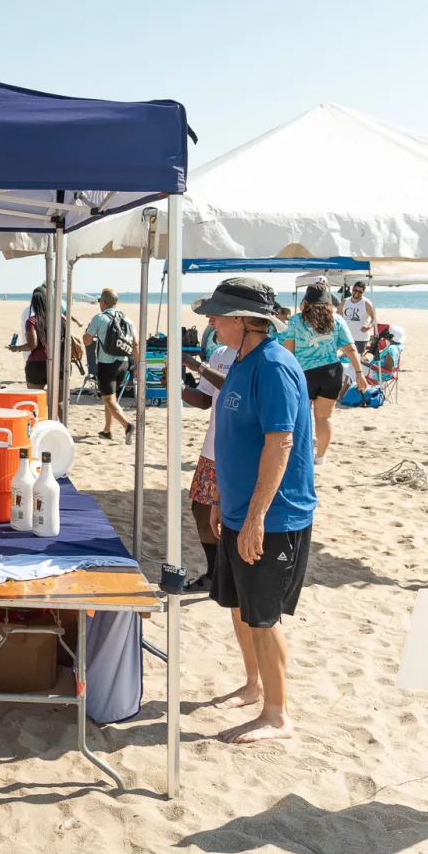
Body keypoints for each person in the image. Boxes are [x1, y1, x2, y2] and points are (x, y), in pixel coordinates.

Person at [193, 278, 314, 745]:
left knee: (264, 616)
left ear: (245, 321)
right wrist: (226, 498)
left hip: (276, 515)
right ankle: (253, 685)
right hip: (240, 506)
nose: (211, 320)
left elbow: (280, 442)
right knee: (240, 608)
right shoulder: (241, 360)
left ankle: (278, 715)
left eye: (219, 314)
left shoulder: (274, 366)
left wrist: (258, 514)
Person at [281, 283, 363, 465]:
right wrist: (359, 372)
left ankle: (302, 455)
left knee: (301, 415)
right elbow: (350, 348)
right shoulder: (337, 319)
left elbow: (288, 351)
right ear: (327, 301)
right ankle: (320, 458)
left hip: (304, 373)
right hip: (331, 372)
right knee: (325, 417)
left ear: (306, 301)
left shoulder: (296, 320)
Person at [180, 335, 237, 593]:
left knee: (232, 516)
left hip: (239, 452)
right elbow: (205, 400)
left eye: (217, 316)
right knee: (201, 511)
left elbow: (237, 389)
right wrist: (178, 388)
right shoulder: (220, 354)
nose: (211, 322)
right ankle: (214, 574)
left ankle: (232, 578)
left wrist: (199, 367)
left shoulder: (258, 355)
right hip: (212, 448)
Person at [84, 288, 134, 442]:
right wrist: (137, 366)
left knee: (108, 399)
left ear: (103, 302)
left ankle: (127, 426)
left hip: (107, 364)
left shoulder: (99, 318)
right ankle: (107, 430)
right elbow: (136, 344)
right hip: (124, 362)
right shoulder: (126, 320)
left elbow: (87, 341)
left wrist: (86, 334)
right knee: (111, 397)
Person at [8, 286, 51, 387]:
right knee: (58, 401)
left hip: (37, 364)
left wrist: (17, 348)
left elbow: (32, 345)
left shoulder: (32, 320)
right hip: (57, 364)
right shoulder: (57, 319)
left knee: (34, 399)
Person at [339, 281, 377, 354]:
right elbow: (337, 317)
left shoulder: (366, 303)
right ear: (352, 289)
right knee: (344, 360)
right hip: (346, 336)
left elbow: (374, 319)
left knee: (358, 360)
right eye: (355, 290)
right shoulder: (344, 301)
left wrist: (368, 327)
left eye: (360, 292)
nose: (357, 293)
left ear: (363, 292)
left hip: (361, 337)